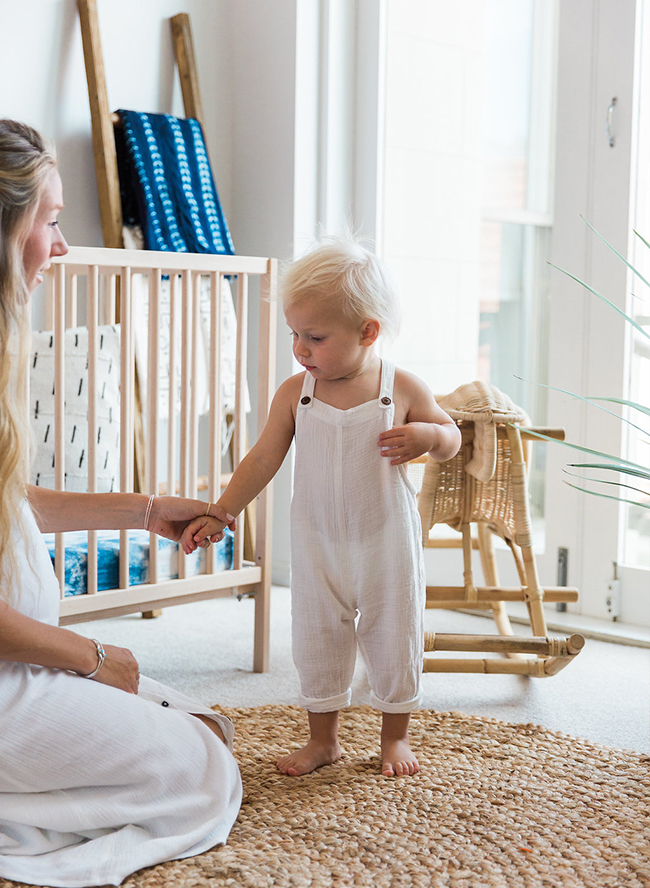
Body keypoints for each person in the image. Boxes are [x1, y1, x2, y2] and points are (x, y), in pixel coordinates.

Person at [0, 119, 241, 888]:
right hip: (13, 677)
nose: (63, 244)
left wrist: (145, 510)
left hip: (29, 666)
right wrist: (98, 658)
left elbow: (13, 504)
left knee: (212, 730)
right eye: (54, 220)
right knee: (205, 778)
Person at [182, 236, 461, 778]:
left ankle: (394, 737)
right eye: (294, 334)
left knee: (392, 633)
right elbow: (262, 458)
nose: (300, 347)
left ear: (368, 332)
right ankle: (324, 739)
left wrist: (427, 434)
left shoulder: (398, 386)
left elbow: (452, 438)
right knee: (316, 634)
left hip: (385, 541)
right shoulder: (296, 393)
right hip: (317, 541)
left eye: (314, 336)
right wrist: (222, 512)